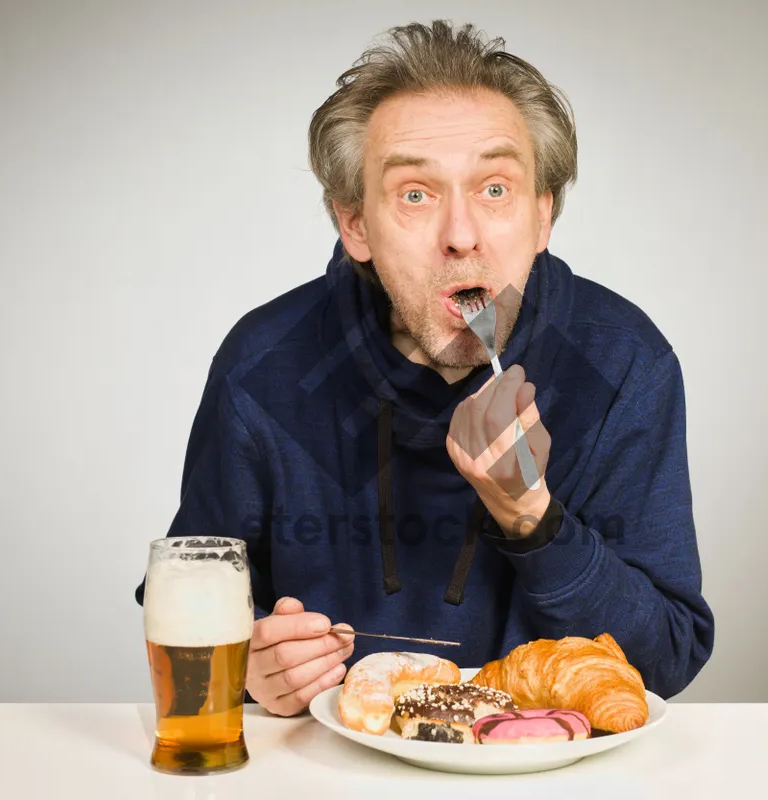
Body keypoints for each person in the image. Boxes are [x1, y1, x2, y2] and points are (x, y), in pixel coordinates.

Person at [135, 20, 714, 717]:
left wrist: (532, 518)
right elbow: (189, 596)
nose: (461, 235)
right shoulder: (263, 366)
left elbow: (668, 661)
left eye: (495, 190)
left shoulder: (623, 363)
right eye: (416, 194)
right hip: (327, 770)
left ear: (542, 216)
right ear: (356, 226)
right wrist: (247, 666)